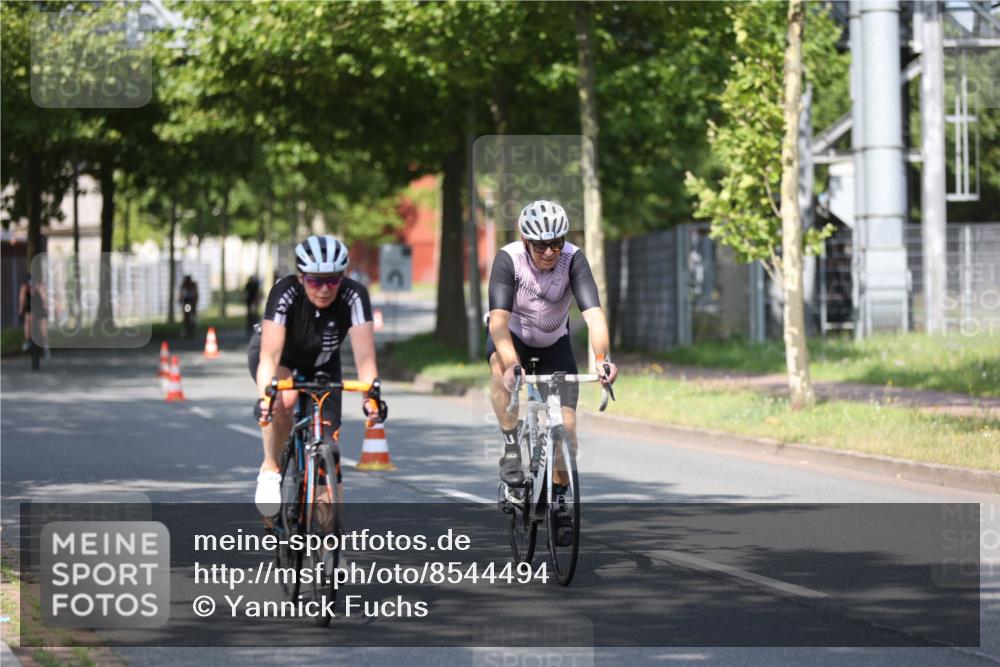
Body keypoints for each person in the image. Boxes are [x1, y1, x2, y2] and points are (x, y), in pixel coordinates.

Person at [486, 200, 618, 545]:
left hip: (554, 343)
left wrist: (602, 358)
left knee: (567, 427)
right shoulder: (508, 259)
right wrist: (513, 363)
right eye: (541, 245)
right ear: (525, 240)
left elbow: (594, 316)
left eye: (556, 243)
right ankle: (512, 447)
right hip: (513, 339)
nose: (549, 251)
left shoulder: (573, 259)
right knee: (500, 368)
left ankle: (559, 500)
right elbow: (498, 322)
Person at [249, 235, 387, 516]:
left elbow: (365, 358)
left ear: (343, 277)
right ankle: (271, 468)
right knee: (283, 402)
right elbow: (269, 358)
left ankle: (328, 549)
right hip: (282, 358)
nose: (324, 289)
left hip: (323, 363)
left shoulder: (355, 295)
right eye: (315, 280)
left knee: (329, 446)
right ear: (301, 278)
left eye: (333, 280)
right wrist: (266, 398)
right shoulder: (284, 292)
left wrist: (370, 397)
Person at [18, 276, 49, 356]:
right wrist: (21, 309)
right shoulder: (24, 288)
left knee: (43, 327)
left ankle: (45, 346)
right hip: (29, 308)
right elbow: (22, 300)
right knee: (27, 320)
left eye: (33, 286)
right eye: (30, 286)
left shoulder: (40, 287)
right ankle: (27, 340)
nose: (32, 289)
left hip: (39, 308)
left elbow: (44, 298)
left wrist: (46, 307)